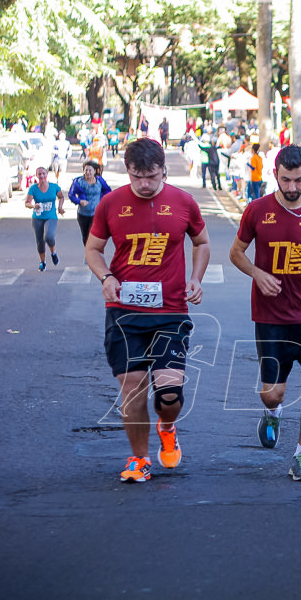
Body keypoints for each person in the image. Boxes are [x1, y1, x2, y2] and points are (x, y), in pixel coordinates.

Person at [84, 138, 210, 483]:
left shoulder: (183, 202)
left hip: (170, 310)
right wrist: (105, 276)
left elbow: (201, 241)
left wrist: (196, 279)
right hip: (123, 310)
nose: (143, 184)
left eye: (151, 176)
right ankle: (139, 458)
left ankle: (167, 426)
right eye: (136, 176)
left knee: (168, 395)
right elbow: (93, 248)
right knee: (133, 386)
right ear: (127, 171)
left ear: (163, 170)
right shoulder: (111, 203)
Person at [229, 145, 301, 481]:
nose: (292, 187)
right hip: (270, 317)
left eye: (298, 180)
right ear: (275, 174)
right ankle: (273, 413)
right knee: (272, 393)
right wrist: (257, 273)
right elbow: (236, 252)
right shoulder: (256, 210)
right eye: (285, 180)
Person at [24, 166, 65, 271]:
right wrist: (34, 206)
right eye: (39, 174)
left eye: (43, 173)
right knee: (40, 241)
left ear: (47, 174)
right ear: (36, 176)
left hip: (51, 216)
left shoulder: (54, 187)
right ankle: (42, 262)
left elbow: (61, 197)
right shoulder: (33, 188)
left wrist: (60, 207)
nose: (41, 176)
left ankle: (53, 253)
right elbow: (27, 203)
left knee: (49, 236)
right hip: (37, 217)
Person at [67, 160, 112, 245]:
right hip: (83, 214)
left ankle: (92, 253)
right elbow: (71, 195)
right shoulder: (78, 182)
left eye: (89, 170)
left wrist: (102, 200)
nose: (87, 172)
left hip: (96, 213)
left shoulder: (100, 181)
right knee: (85, 237)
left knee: (92, 234)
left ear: (94, 171)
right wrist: (79, 201)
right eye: (85, 170)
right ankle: (88, 253)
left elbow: (108, 191)